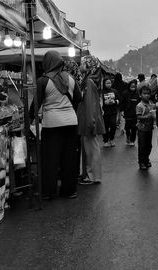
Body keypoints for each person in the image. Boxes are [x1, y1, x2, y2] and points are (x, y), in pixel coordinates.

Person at [35, 50, 82, 199]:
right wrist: (69, 111)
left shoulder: (43, 80)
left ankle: (49, 192)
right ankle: (69, 191)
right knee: (69, 157)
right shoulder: (71, 78)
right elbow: (78, 98)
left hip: (52, 125)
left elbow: (35, 104)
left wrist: (29, 117)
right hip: (71, 122)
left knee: (50, 158)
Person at [77, 55, 105, 185]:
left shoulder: (88, 82)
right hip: (89, 120)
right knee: (91, 148)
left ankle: (92, 176)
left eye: (83, 64)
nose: (80, 66)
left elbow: (90, 104)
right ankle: (91, 175)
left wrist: (90, 122)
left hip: (88, 121)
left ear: (89, 66)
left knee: (90, 150)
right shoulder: (91, 80)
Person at [136, 86, 155, 170]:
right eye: (144, 94)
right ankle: (141, 162)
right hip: (142, 130)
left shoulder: (151, 103)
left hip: (149, 129)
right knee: (142, 146)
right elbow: (139, 117)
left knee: (149, 146)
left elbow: (154, 109)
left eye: (148, 94)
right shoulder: (140, 105)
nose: (146, 95)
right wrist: (148, 116)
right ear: (140, 95)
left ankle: (146, 159)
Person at [101, 78, 120, 147]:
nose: (109, 84)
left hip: (113, 112)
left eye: (110, 83)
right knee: (105, 126)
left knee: (113, 125)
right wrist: (104, 102)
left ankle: (111, 138)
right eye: (107, 83)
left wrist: (114, 102)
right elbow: (99, 102)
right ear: (104, 84)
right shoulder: (101, 92)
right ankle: (105, 141)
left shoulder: (114, 91)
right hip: (104, 112)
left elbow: (119, 100)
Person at [120, 79, 140, 146]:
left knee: (134, 128)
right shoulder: (125, 93)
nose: (133, 88)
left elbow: (140, 103)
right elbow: (122, 103)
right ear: (129, 86)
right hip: (127, 113)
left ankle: (132, 140)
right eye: (131, 86)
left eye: (134, 87)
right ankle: (128, 136)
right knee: (127, 127)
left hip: (135, 113)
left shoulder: (138, 94)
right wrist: (122, 111)